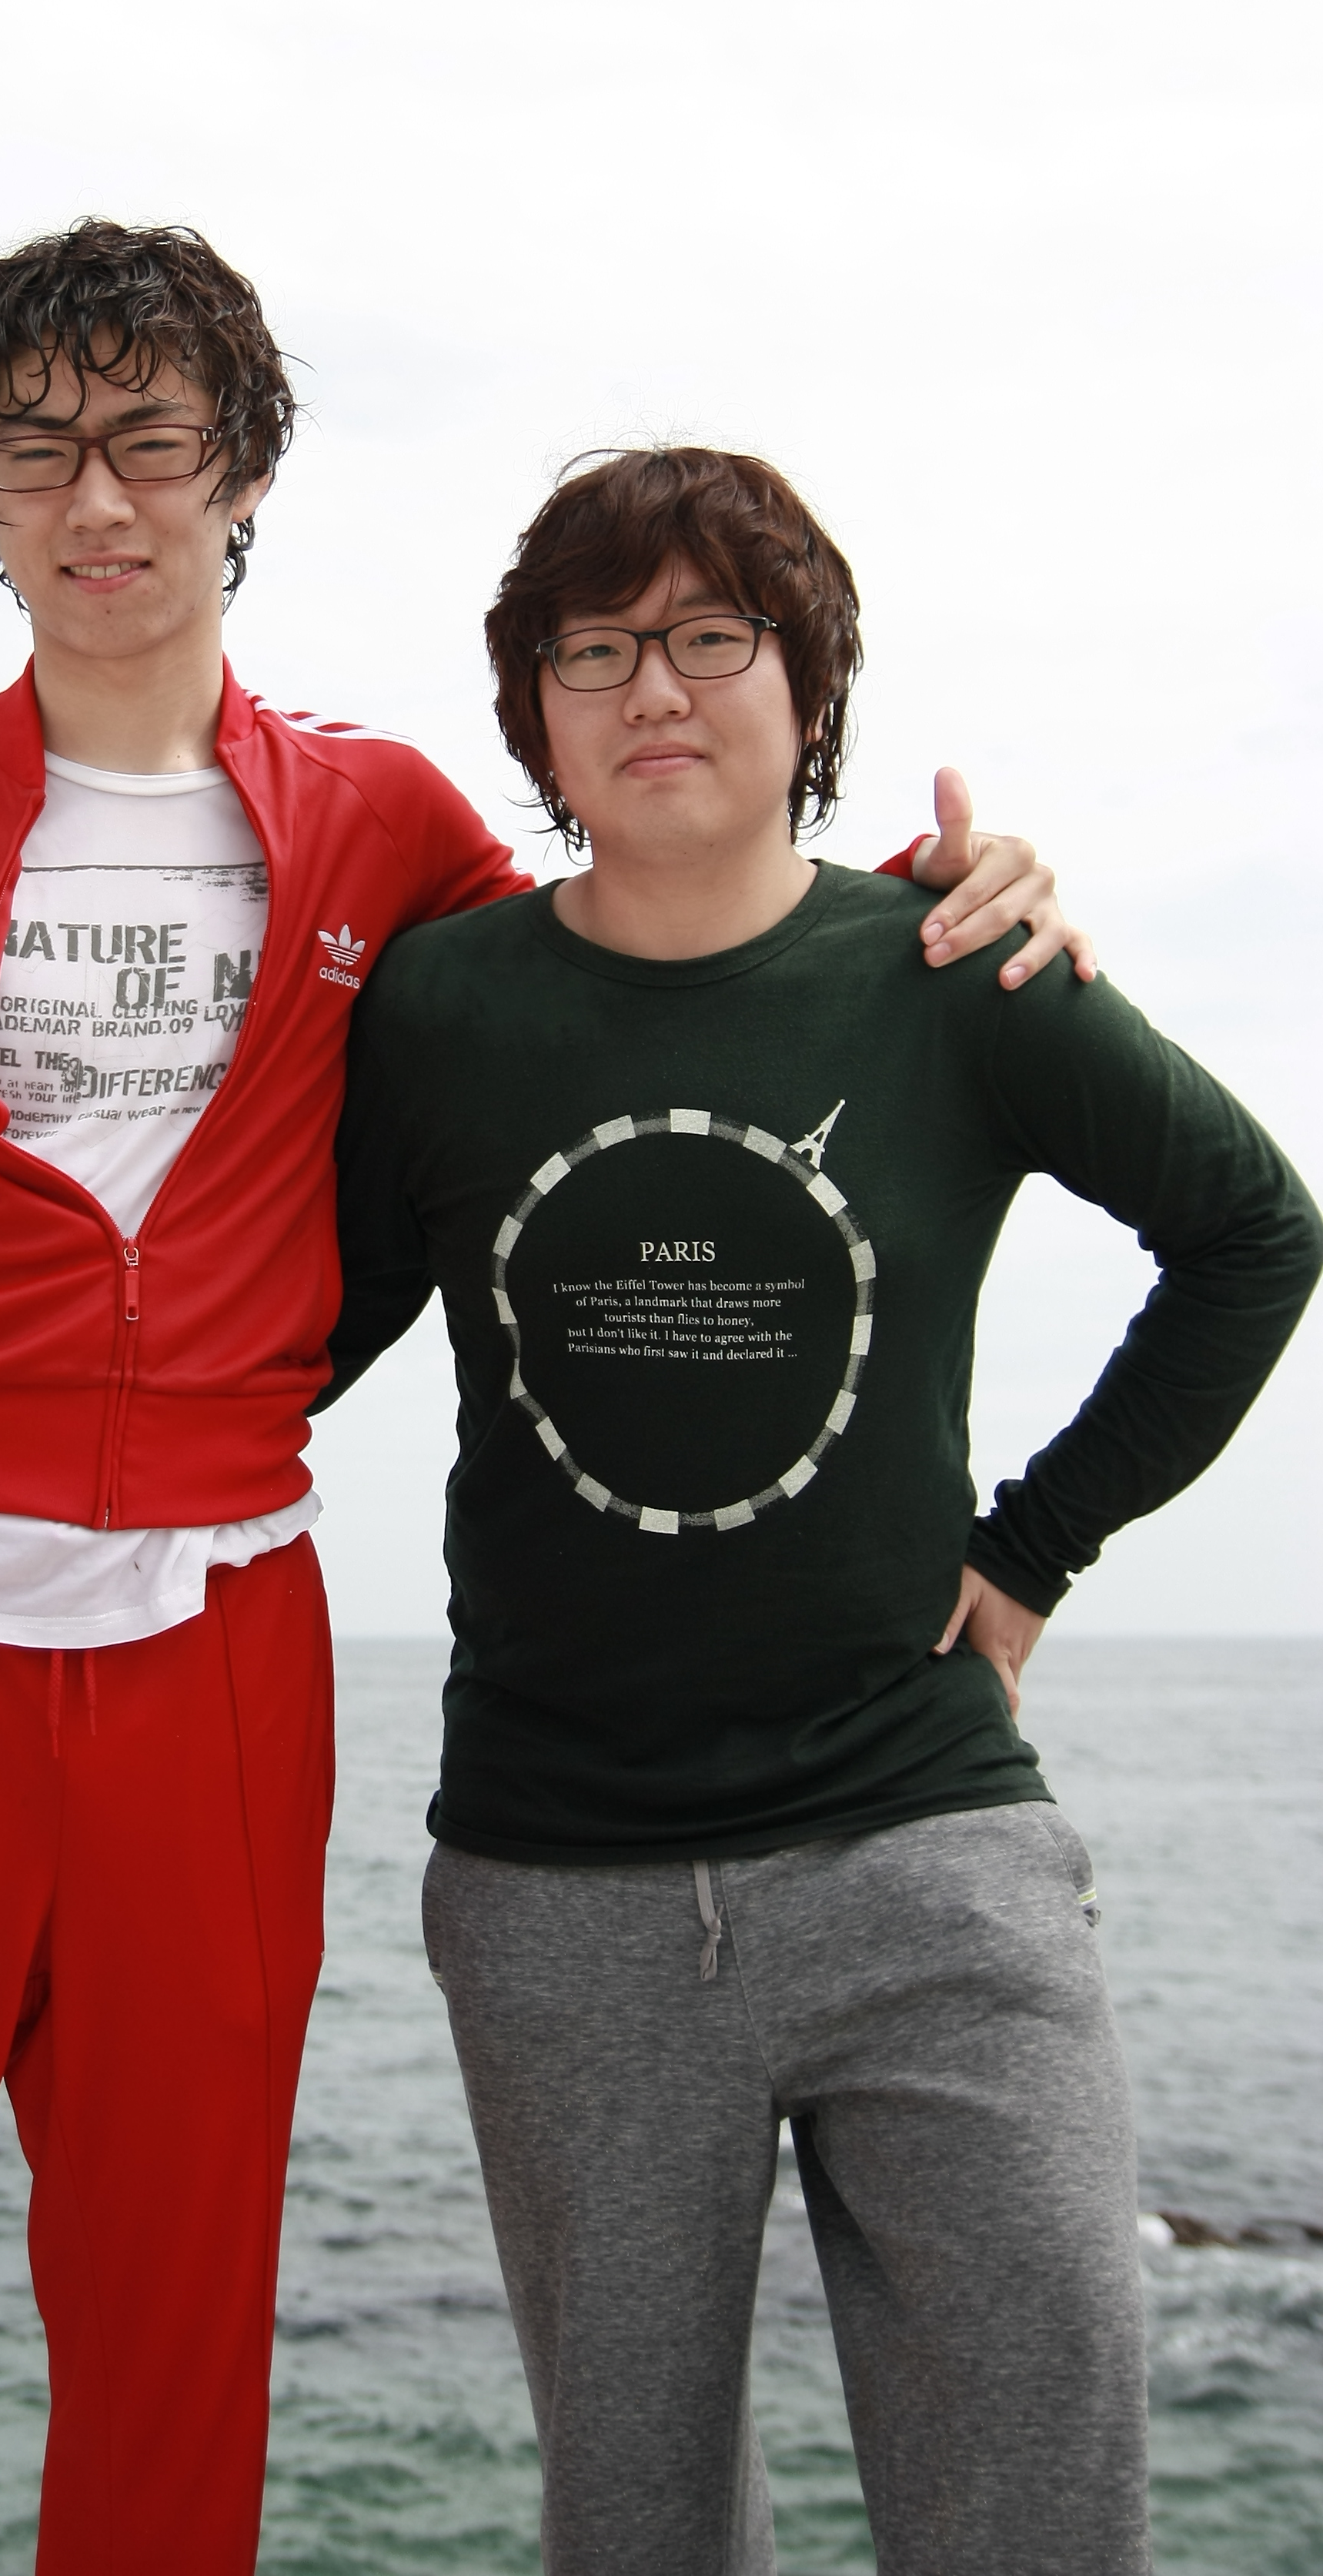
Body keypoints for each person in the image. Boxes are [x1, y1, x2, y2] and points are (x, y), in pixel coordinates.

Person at [0, 236, 1084, 2576]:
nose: (101, 500)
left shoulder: (383, 823)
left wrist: (923, 904)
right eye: (38, 450)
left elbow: (654, 931)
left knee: (177, 2352)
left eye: (153, 440)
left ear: (246, 474)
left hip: (215, 1661)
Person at [324, 443, 1321, 2576]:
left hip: (924, 1857)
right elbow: (273, 1351)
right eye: (594, 649)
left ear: (808, 686)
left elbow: (1256, 1233)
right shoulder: (441, 1011)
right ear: (536, 716)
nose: (653, 686)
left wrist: (1033, 1548)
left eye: (712, 636)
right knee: (642, 2529)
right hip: (561, 1887)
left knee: (1040, 2497)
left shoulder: (958, 969)